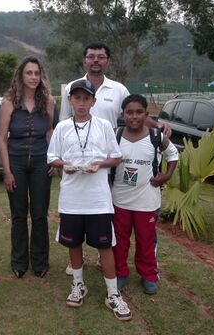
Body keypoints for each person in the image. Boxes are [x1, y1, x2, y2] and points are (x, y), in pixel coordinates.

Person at [60, 42, 171, 275]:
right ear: (84, 61)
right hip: (80, 166)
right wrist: (60, 162)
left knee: (110, 210)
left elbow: (135, 112)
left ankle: (107, 256)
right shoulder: (71, 87)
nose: (96, 61)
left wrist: (157, 125)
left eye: (101, 57)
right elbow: (61, 124)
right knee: (79, 209)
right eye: (91, 57)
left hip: (113, 161)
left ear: (107, 61)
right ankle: (76, 260)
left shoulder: (119, 89)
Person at [47, 79, 132, 321]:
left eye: (86, 99)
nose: (82, 103)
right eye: (77, 98)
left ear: (93, 101)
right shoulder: (62, 127)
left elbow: (116, 157)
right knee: (73, 244)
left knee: (105, 246)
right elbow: (52, 158)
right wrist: (67, 165)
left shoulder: (104, 125)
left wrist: (99, 164)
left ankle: (113, 294)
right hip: (72, 199)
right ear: (70, 100)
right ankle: (78, 284)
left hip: (98, 200)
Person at [112, 94, 179, 294]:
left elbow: (173, 154)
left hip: (147, 202)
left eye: (139, 112)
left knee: (146, 241)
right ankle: (120, 273)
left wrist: (166, 176)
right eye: (129, 112)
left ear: (146, 114)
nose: (134, 117)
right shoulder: (115, 134)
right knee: (120, 241)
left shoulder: (155, 137)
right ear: (122, 115)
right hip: (119, 200)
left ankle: (149, 275)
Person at [0, 56, 55, 278]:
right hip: (17, 163)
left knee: (40, 214)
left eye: (37, 73)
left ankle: (40, 262)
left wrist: (52, 158)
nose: (33, 77)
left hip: (41, 161)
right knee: (19, 215)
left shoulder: (48, 101)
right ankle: (19, 262)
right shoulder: (9, 102)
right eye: (29, 73)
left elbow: (50, 131)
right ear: (21, 76)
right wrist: (7, 171)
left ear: (41, 76)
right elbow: (2, 139)